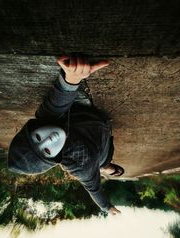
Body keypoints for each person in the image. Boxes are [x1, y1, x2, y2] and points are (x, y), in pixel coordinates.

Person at [7, 55, 124, 215]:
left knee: (98, 167)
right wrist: (107, 207)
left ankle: (103, 168)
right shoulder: (79, 167)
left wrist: (72, 78)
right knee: (104, 163)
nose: (50, 138)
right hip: (102, 150)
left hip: (95, 124)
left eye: (38, 138)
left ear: (33, 128)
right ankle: (104, 167)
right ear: (53, 159)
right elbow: (93, 188)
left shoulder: (45, 118)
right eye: (47, 151)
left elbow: (59, 98)